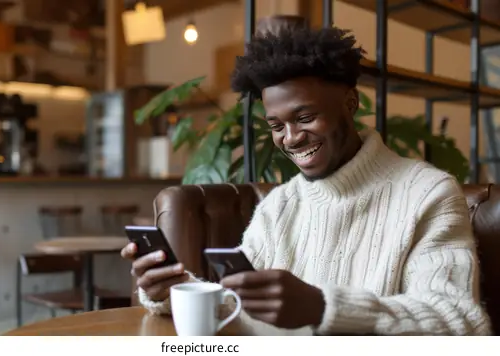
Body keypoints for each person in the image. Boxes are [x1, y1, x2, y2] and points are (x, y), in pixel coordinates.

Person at [121, 17, 492, 336]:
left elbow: (461, 322)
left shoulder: (428, 193)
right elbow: (237, 306)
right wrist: (174, 289)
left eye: (305, 118)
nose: (291, 138)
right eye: (276, 125)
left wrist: (323, 308)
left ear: (351, 103)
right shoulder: (281, 205)